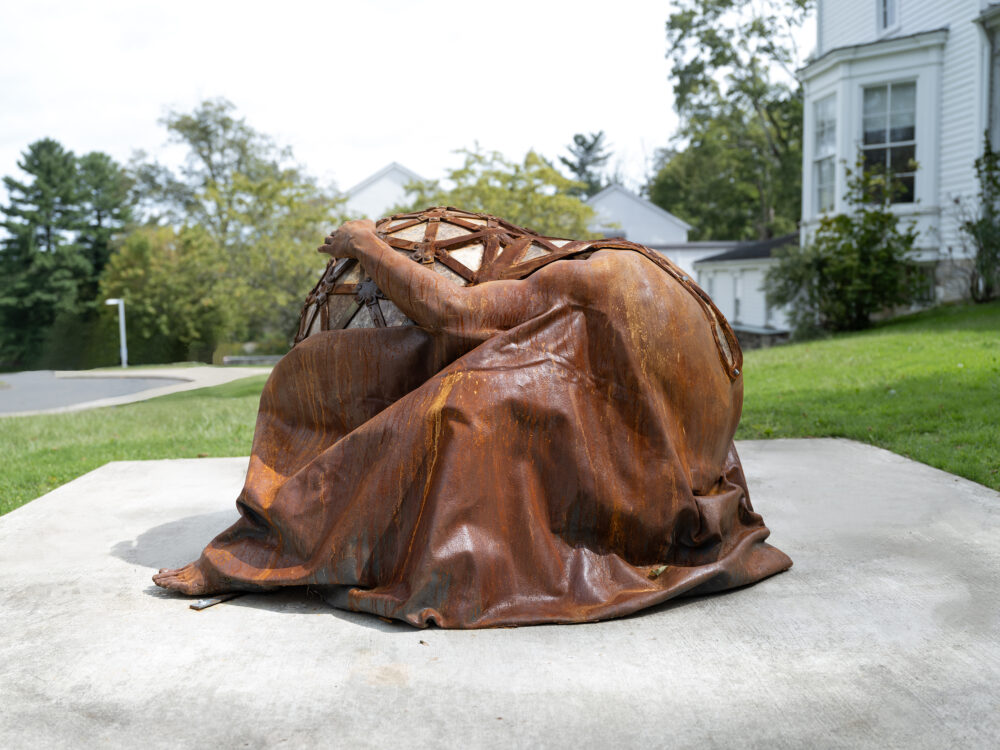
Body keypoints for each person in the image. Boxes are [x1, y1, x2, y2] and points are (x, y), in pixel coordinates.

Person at [154, 217, 791, 628]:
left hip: (641, 485)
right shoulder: (645, 267)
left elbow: (454, 312)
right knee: (477, 375)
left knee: (450, 411)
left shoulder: (576, 279)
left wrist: (366, 247)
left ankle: (270, 548)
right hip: (690, 463)